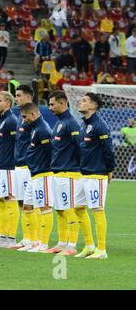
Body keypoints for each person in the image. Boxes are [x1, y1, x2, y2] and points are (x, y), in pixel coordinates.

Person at [47, 91, 94, 256]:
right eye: (49, 104)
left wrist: (80, 167)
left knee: (70, 210)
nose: (50, 107)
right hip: (58, 173)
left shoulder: (71, 123)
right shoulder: (59, 123)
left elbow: (81, 147)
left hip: (70, 174)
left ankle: (72, 245)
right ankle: (62, 242)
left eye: (53, 104)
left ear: (63, 103)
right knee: (60, 210)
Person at [77, 92, 115, 259]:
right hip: (83, 174)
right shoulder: (83, 125)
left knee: (97, 210)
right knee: (78, 208)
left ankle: (102, 250)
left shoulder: (100, 125)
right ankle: (89, 245)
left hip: (96, 174)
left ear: (92, 106)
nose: (80, 102)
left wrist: (109, 170)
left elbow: (108, 150)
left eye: (84, 101)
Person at [19, 102, 54, 253]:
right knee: (27, 206)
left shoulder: (42, 130)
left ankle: (43, 243)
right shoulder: (35, 128)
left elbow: (51, 152)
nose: (23, 120)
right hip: (34, 174)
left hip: (43, 174)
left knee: (44, 208)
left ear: (33, 114)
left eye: (25, 117)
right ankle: (31, 240)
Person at [0, 91, 18, 247]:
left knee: (9, 199)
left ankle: (11, 237)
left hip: (7, 167)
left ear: (7, 103)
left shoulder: (12, 121)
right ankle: (3, 235)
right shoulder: (2, 120)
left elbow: (17, 143)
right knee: (1, 201)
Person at [8, 85, 35, 250]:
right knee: (21, 203)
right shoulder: (20, 117)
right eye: (15, 96)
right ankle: (27, 238)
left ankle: (36, 239)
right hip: (18, 165)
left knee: (31, 203)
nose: (16, 98)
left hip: (28, 166)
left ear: (29, 97)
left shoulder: (33, 117)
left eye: (18, 96)